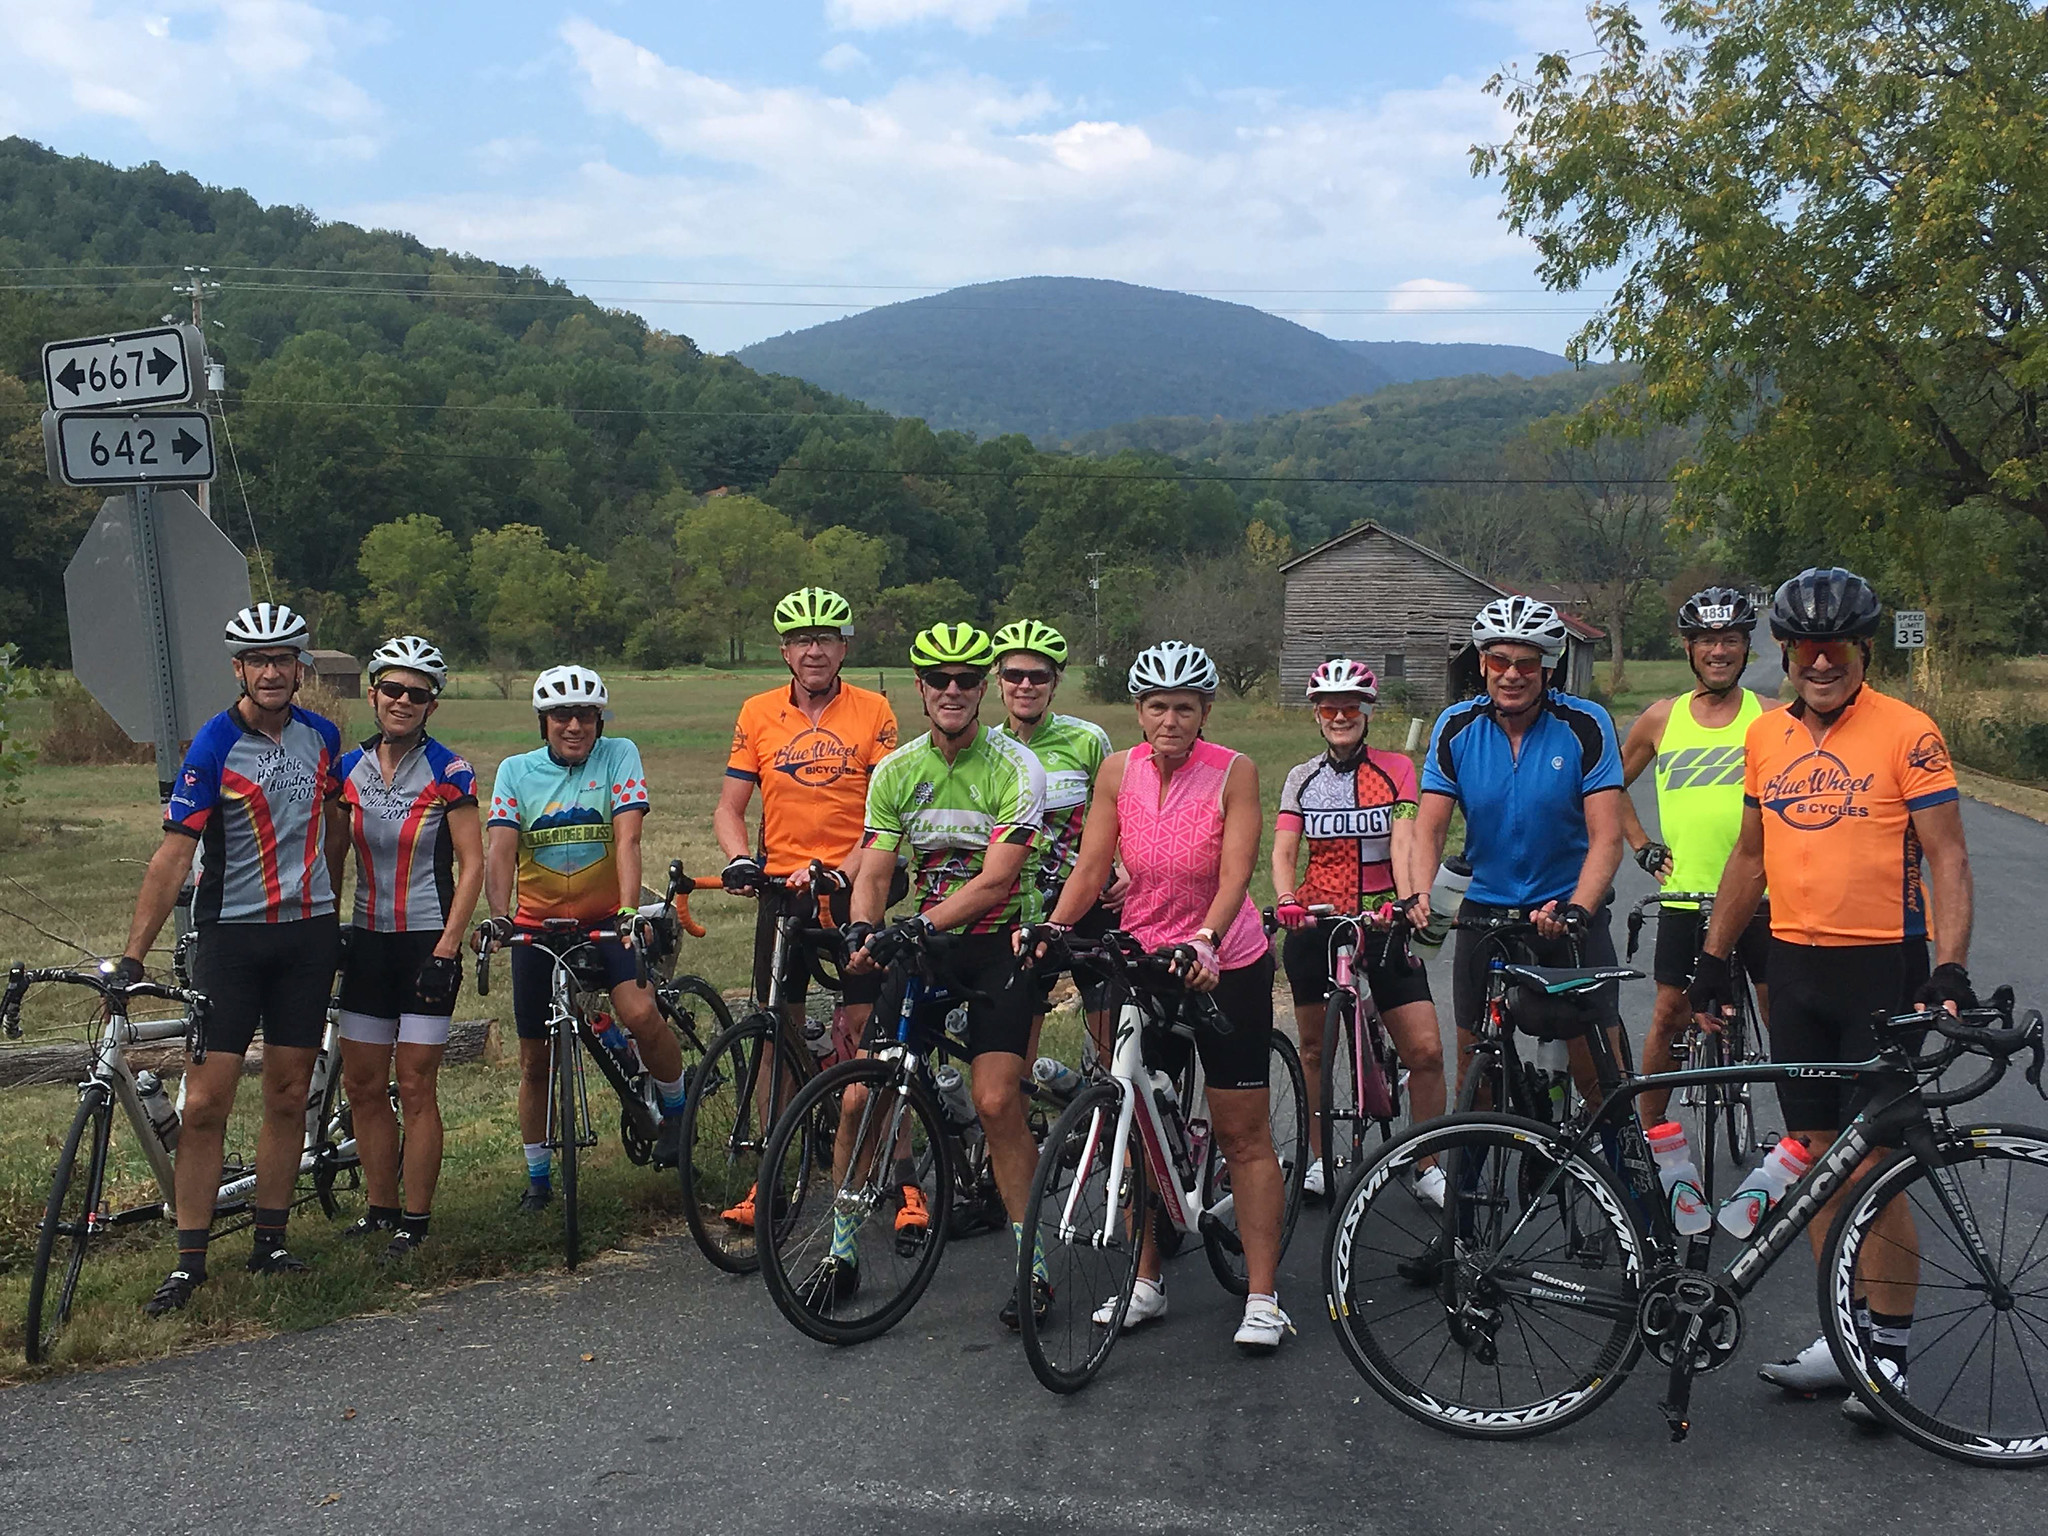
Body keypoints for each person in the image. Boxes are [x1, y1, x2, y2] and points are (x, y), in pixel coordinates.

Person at [1688, 567, 1973, 1418]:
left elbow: (1949, 859)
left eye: (1836, 646)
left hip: (1883, 971)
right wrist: (1713, 956)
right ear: (1786, 650)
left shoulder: (1909, 731)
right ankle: (1842, 1335)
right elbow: (1750, 856)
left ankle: (1889, 1355)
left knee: (1877, 1167)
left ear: (1861, 650)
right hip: (1797, 970)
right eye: (1806, 647)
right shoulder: (1767, 738)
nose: (1820, 661)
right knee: (1816, 1162)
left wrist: (1950, 967)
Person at [1042, 640, 1291, 1353]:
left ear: (1205, 711)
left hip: (1224, 961)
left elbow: (1236, 872)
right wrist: (1052, 929)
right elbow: (1092, 866)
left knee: (1241, 1132)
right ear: (1139, 712)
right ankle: (1146, 1278)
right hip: (1144, 958)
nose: (1171, 719)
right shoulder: (1118, 771)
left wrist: (1208, 938)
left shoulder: (1233, 773)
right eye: (1158, 706)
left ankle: (1265, 1296)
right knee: (1135, 1122)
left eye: (1185, 707)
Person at [115, 603, 349, 1316]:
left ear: (299, 666)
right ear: (239, 669)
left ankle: (270, 1242)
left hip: (306, 938)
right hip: (230, 940)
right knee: (209, 1099)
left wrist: (330, 905)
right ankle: (189, 1261)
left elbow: (334, 826)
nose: (272, 671)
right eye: (258, 660)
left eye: (284, 659)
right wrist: (133, 955)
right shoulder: (214, 744)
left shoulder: (323, 736)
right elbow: (174, 855)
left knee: (286, 1094)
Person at [838, 623, 1048, 1329]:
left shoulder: (1017, 767)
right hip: (924, 944)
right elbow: (873, 868)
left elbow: (997, 881)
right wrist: (864, 928)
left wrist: (919, 925)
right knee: (859, 1098)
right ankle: (838, 1251)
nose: (952, 691)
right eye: (938, 680)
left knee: (995, 1102)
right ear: (920, 689)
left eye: (965, 680)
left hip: (996, 944)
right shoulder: (896, 769)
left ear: (982, 688)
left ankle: (1032, 1263)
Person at [714, 588, 898, 1231]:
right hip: (784, 890)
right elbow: (729, 807)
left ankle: (898, 1181)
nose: (813, 649)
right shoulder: (758, 712)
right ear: (785, 650)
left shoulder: (873, 709)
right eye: (800, 639)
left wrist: (846, 868)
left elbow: (888, 813)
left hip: (856, 886)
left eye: (826, 638)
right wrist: (740, 857)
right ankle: (774, 1178)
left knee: (870, 1033)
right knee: (774, 1032)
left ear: (845, 647)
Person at [481, 665, 688, 1207]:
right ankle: (538, 1180)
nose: (574, 726)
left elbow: (628, 839)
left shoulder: (618, 754)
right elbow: (501, 847)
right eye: (561, 716)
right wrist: (499, 914)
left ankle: (675, 1111)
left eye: (586, 716)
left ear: (600, 720)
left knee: (641, 1013)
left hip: (604, 918)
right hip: (536, 926)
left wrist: (626, 910)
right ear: (543, 721)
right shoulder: (515, 772)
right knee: (534, 1060)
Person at [1410, 597, 1628, 1110]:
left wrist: (1579, 908)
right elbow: (1429, 829)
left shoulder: (1585, 724)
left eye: (1526, 663)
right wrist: (1422, 895)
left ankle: (1615, 1169)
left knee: (1596, 1064)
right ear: (1482, 663)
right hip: (1485, 911)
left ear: (1548, 667)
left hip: (1565, 907)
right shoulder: (1456, 726)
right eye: (1498, 661)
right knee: (1473, 1064)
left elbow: (1607, 838)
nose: (1511, 674)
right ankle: (1475, 1175)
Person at [332, 636, 484, 1262]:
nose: (402, 701)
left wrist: (448, 947)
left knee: (415, 1083)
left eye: (416, 694)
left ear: (431, 707)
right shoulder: (348, 770)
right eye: (392, 690)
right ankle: (381, 1208)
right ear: (373, 694)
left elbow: (472, 865)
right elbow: (332, 856)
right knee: (364, 1086)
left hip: (428, 941)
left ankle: (416, 1220)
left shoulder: (450, 772)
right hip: (367, 941)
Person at [1271, 658, 1444, 1201]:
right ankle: (1321, 1158)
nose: (1340, 715)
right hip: (1319, 919)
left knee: (1426, 1052)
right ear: (1317, 715)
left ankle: (1428, 1164)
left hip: (1381, 917)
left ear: (1368, 712)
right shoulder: (1302, 777)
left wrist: (1409, 896)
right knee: (1315, 1051)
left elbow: (1405, 840)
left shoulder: (1396, 769)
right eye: (1330, 708)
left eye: (1351, 707)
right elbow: (1283, 849)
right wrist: (1285, 899)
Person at [1616, 588, 1776, 1125]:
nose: (1719, 651)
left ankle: (1812, 1140)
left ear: (1745, 647)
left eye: (1730, 639)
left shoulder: (1773, 718)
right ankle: (1651, 1140)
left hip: (1762, 895)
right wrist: (1640, 845)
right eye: (1707, 640)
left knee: (1785, 1015)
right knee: (1668, 1015)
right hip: (1684, 896)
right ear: (1689, 648)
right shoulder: (1661, 719)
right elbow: (1607, 786)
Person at [984, 619, 1116, 1059]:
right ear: (997, 680)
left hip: (1086, 898)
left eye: (1038, 676)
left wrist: (1130, 867)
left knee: (1106, 1031)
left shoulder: (1086, 739)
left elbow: (1124, 811)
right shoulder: (987, 749)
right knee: (1018, 1039)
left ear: (1055, 682)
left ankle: (1106, 1115)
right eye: (1013, 675)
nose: (1025, 685)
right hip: (1020, 902)